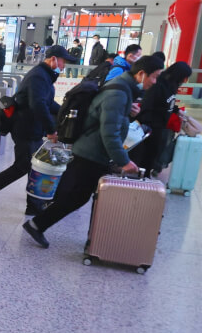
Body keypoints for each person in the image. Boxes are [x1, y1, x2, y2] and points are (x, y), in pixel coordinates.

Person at [23, 55, 165, 248]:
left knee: (75, 195)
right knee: (77, 196)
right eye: (154, 77)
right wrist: (124, 161)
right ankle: (36, 224)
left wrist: (127, 114)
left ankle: (39, 223)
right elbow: (109, 132)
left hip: (92, 150)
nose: (155, 81)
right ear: (141, 74)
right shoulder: (119, 93)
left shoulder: (123, 88)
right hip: (91, 152)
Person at [0, 45, 78, 215]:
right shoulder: (39, 76)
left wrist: (63, 112)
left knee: (34, 166)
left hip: (31, 127)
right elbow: (38, 105)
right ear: (53, 59)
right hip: (25, 128)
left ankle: (34, 205)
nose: (63, 66)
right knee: (23, 165)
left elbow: (48, 102)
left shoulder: (44, 75)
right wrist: (51, 130)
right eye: (63, 61)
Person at [129, 61, 193, 175]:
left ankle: (146, 176)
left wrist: (176, 110)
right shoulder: (158, 85)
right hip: (150, 127)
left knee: (154, 154)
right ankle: (141, 178)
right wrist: (149, 126)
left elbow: (167, 102)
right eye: (184, 77)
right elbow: (147, 106)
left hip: (161, 126)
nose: (185, 81)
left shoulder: (172, 85)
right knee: (146, 155)